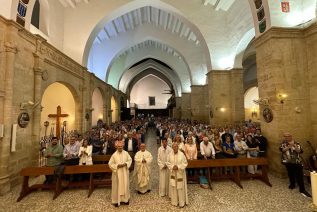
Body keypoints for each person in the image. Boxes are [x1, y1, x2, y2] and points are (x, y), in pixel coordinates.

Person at [280, 133, 311, 198]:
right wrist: (289, 146)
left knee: (299, 175)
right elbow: (282, 150)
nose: (286, 138)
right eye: (285, 136)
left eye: (288, 136)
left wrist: (294, 146)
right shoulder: (283, 143)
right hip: (288, 162)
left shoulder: (297, 143)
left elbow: (300, 151)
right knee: (290, 173)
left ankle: (302, 189)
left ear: (291, 136)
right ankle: (292, 184)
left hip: (297, 162)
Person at [109, 140, 132, 207]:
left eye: (121, 146)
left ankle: (125, 200)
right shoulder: (114, 155)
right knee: (117, 187)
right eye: (119, 146)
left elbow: (130, 160)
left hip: (124, 172)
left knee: (125, 185)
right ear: (116, 147)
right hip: (117, 174)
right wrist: (117, 166)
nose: (120, 148)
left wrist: (126, 164)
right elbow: (110, 164)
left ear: (123, 146)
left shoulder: (126, 153)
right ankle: (116, 201)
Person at [166, 143, 188, 208]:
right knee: (173, 187)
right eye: (174, 147)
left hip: (180, 173)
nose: (175, 148)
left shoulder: (182, 155)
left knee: (180, 188)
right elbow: (167, 162)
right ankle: (174, 202)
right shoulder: (169, 154)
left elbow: (185, 163)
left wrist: (178, 167)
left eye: (176, 147)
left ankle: (181, 202)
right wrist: (172, 166)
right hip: (173, 173)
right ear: (172, 148)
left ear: (178, 147)